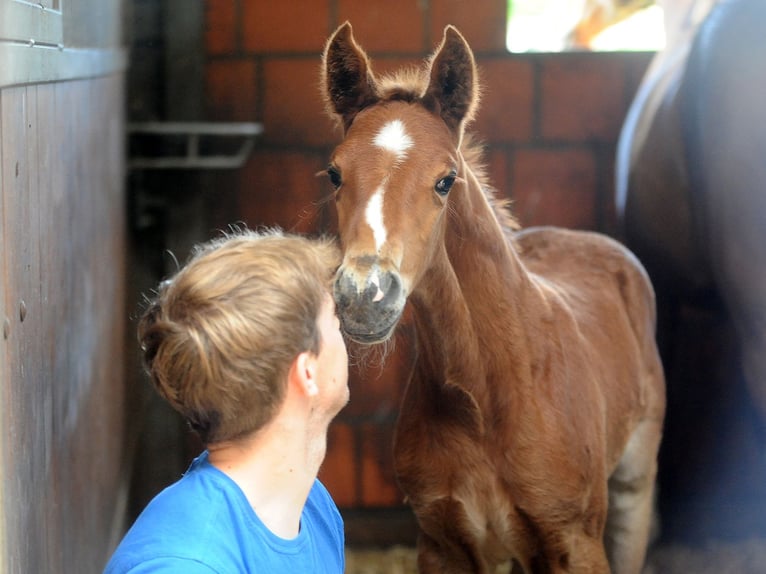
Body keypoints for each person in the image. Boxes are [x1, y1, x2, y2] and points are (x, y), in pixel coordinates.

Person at [105, 228, 349, 573]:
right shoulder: (185, 565)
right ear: (307, 372)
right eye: (334, 318)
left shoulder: (311, 506)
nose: (345, 335)